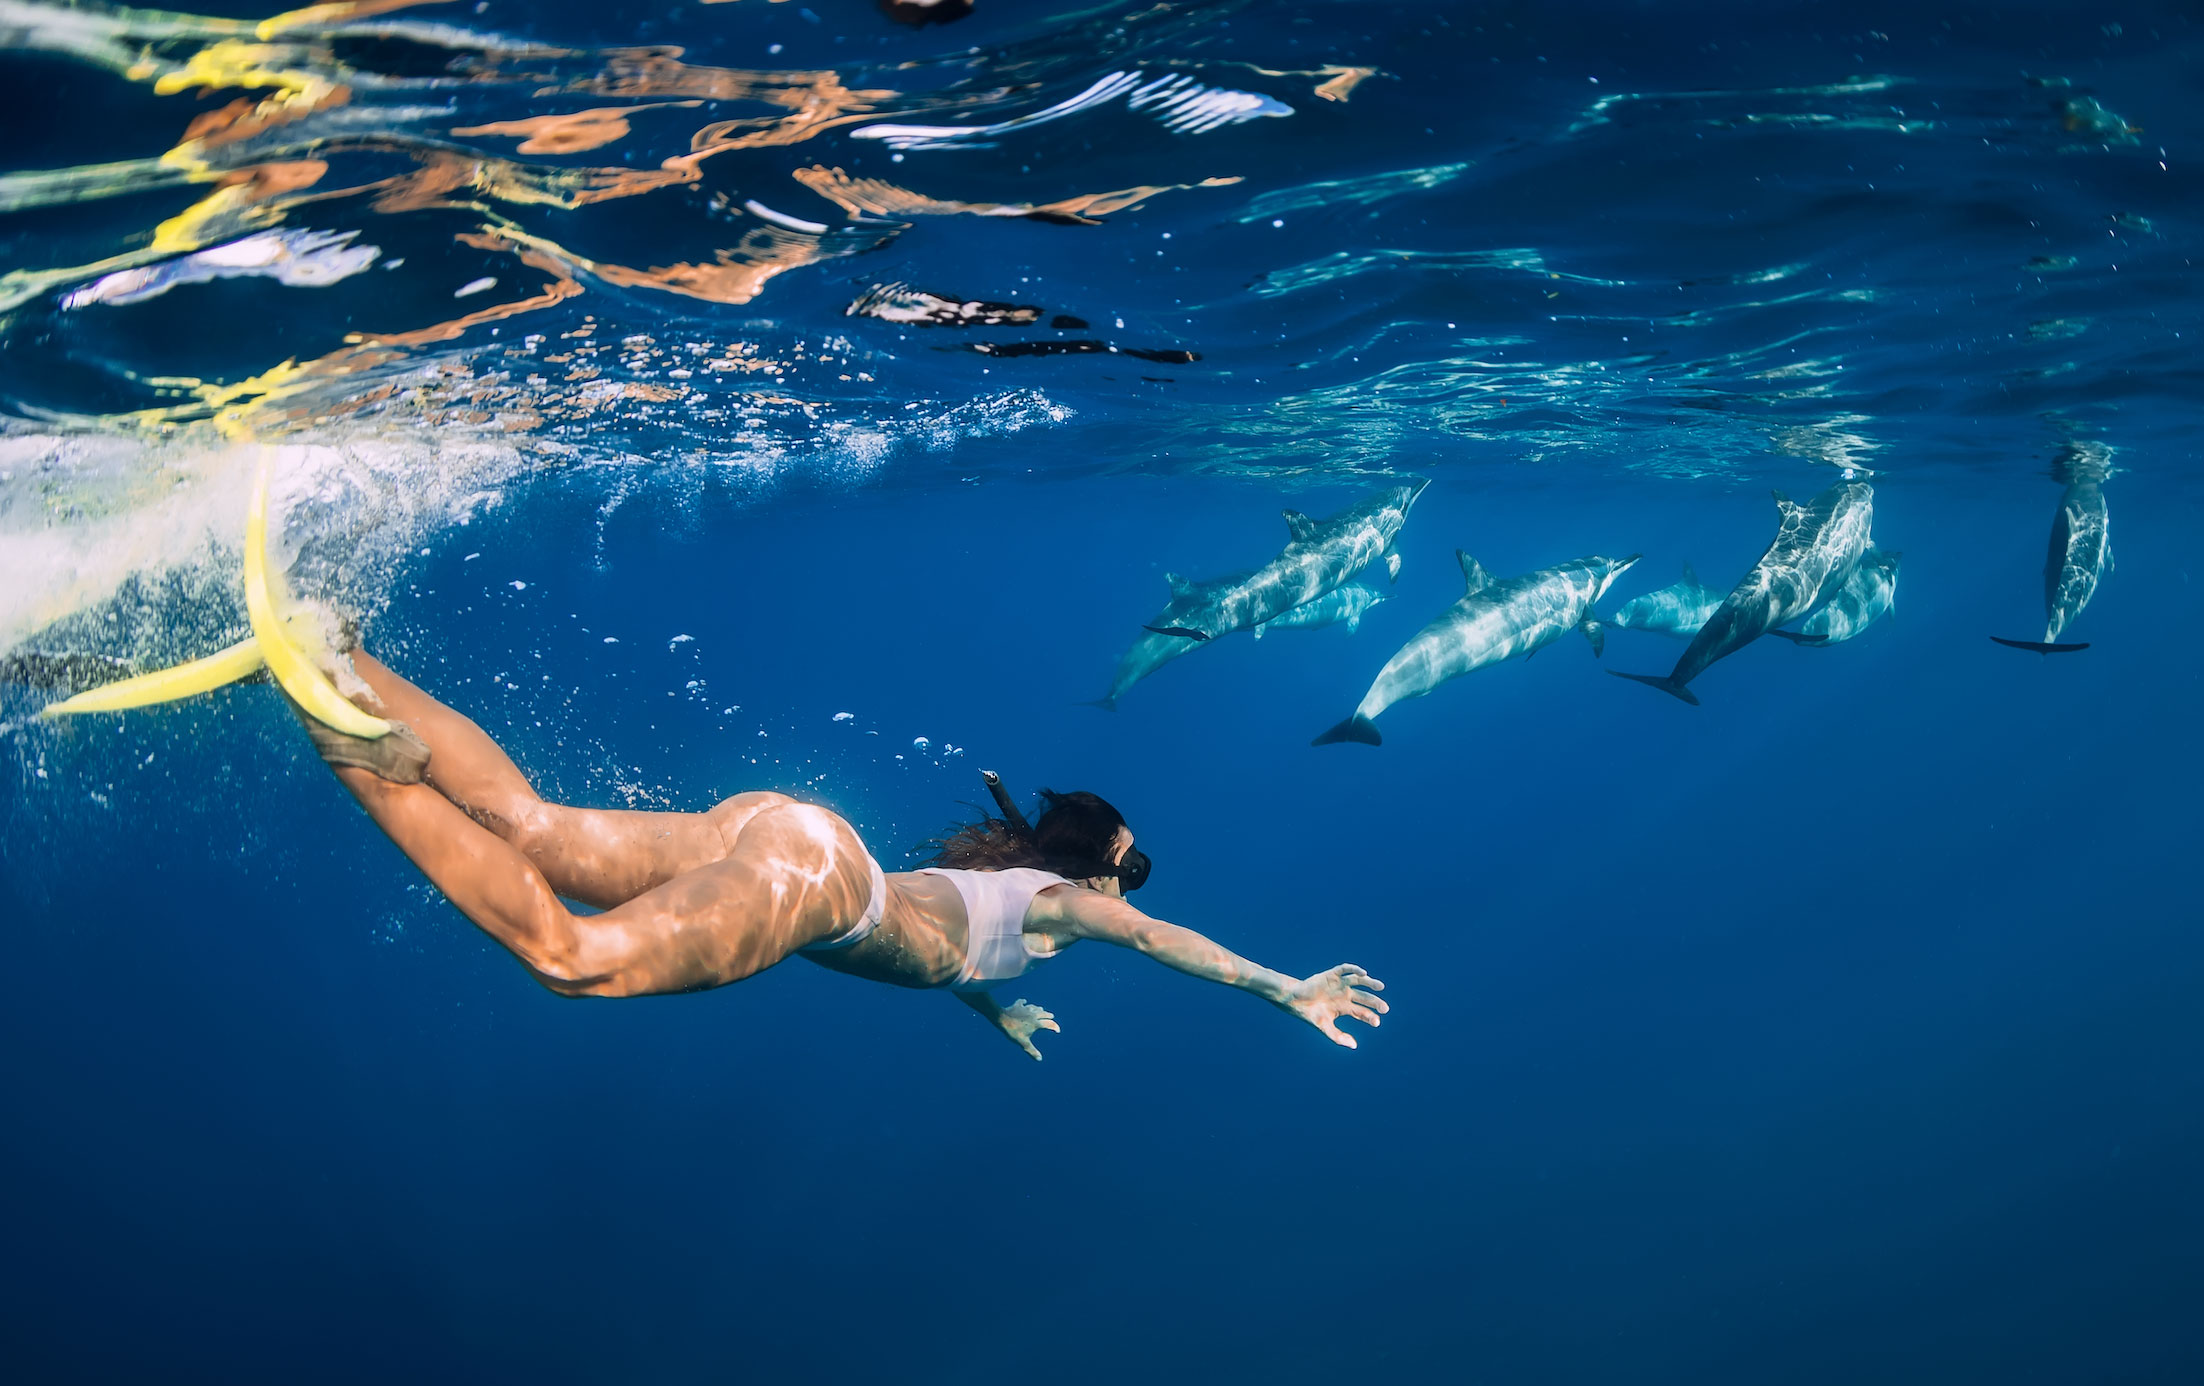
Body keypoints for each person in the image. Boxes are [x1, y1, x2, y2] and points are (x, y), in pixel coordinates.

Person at [303, 646, 1388, 1060]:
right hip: (818, 883)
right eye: (1129, 866)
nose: (1130, 887)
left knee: (531, 826)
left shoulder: (1003, 890)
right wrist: (1279, 988)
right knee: (572, 960)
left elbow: (953, 954)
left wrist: (993, 1009)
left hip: (786, 830)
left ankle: (341, 655)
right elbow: (1157, 938)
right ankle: (340, 740)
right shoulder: (1064, 904)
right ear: (1094, 868)